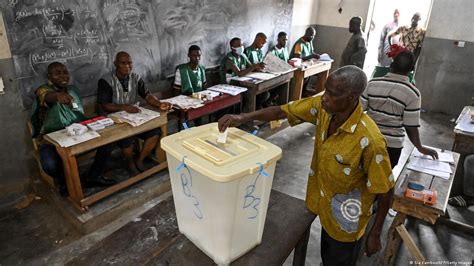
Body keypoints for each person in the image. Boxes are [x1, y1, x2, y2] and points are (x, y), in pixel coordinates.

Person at [218, 66, 394, 265]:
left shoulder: (370, 140)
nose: (324, 97)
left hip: (346, 221)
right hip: (319, 200)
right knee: (324, 253)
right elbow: (282, 110)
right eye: (325, 90)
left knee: (337, 260)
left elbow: (386, 190)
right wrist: (243, 117)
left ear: (352, 97)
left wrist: (375, 232)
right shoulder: (323, 109)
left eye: (332, 94)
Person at [31, 62, 116, 196]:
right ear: (49, 76)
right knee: (50, 165)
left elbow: (78, 114)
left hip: (77, 133)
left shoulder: (72, 90)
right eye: (57, 73)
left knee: (108, 141)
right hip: (51, 140)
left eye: (65, 72)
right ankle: (65, 181)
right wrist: (58, 97)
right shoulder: (43, 90)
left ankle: (93, 176)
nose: (63, 76)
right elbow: (46, 95)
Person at [98, 51, 172, 175]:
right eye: (123, 63)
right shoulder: (106, 81)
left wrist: (159, 104)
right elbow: (104, 105)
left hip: (134, 118)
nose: (127, 66)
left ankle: (140, 160)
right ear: (115, 64)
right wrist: (124, 107)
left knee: (155, 132)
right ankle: (130, 163)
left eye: (130, 63)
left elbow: (147, 95)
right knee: (127, 139)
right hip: (115, 120)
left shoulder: (135, 78)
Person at [361, 51, 438, 168]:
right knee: (382, 180)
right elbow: (410, 127)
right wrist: (420, 147)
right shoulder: (412, 93)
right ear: (411, 69)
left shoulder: (372, 84)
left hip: (367, 139)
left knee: (361, 174)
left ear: (391, 65)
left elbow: (358, 111)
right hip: (391, 146)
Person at [372, 9, 400, 79]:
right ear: (393, 14)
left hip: (396, 53)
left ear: (399, 15)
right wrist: (379, 52)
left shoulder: (402, 27)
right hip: (386, 51)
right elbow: (381, 39)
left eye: (397, 13)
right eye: (395, 13)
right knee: (382, 70)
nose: (396, 15)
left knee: (392, 72)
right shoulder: (388, 25)